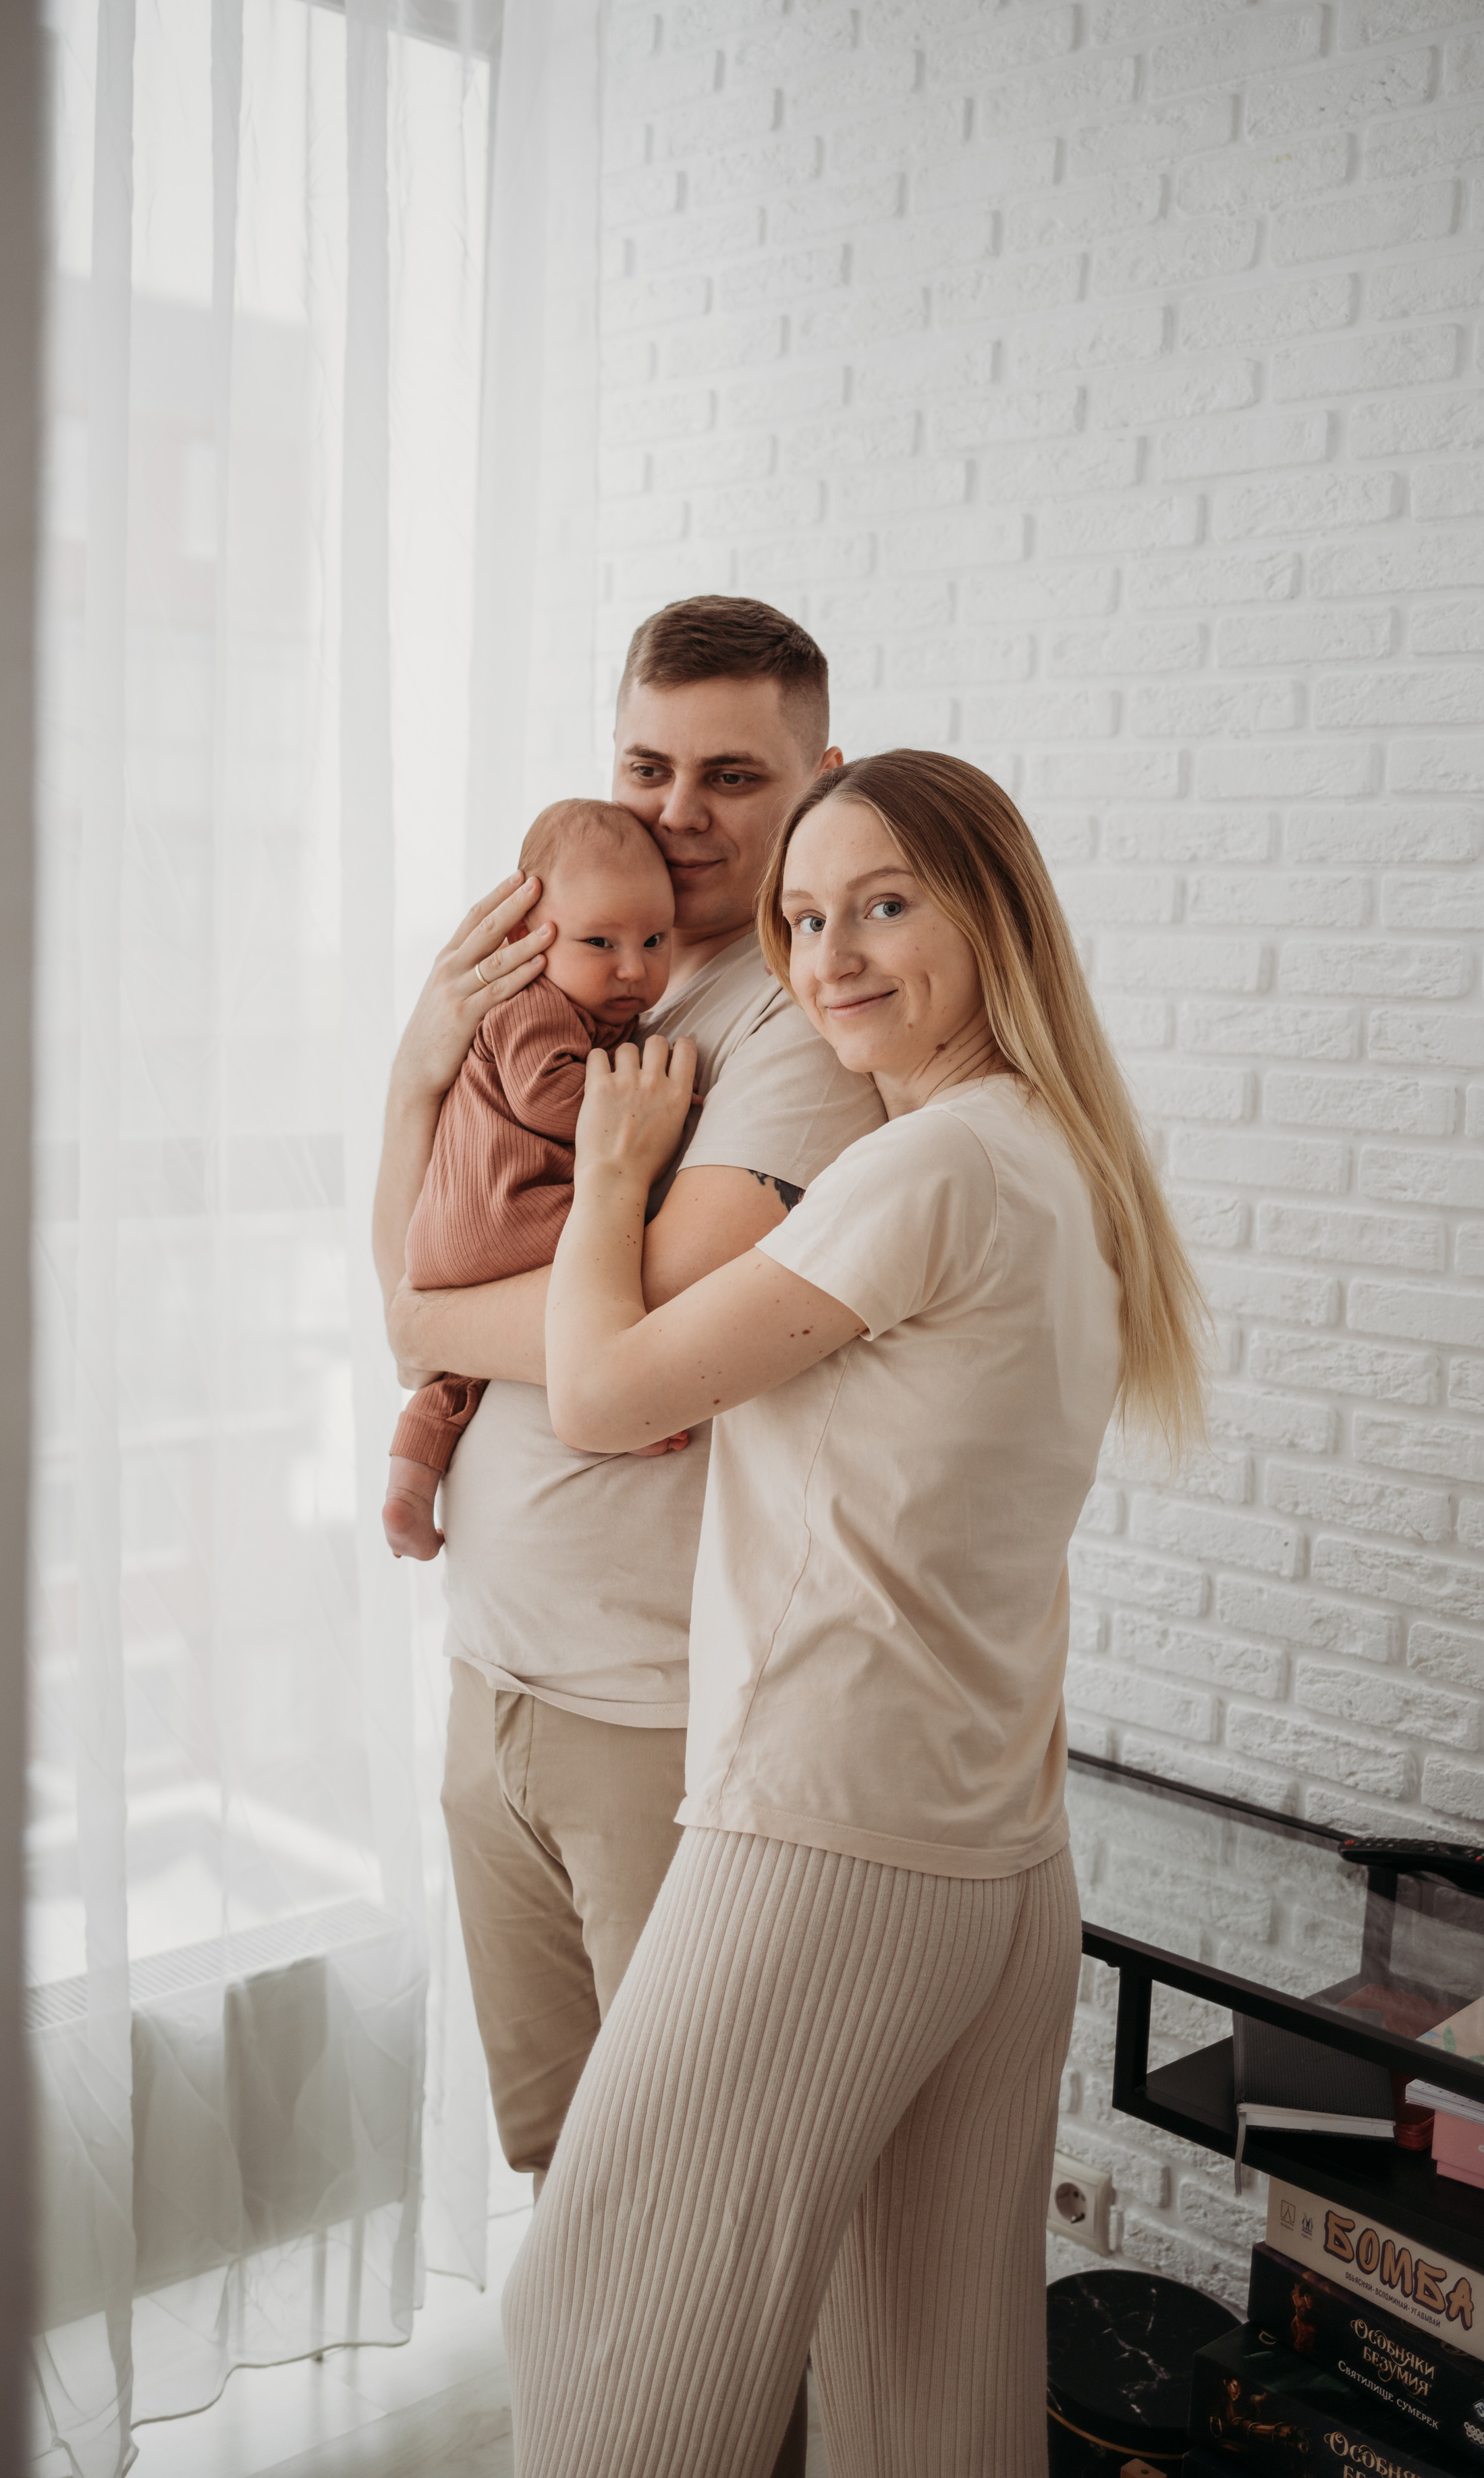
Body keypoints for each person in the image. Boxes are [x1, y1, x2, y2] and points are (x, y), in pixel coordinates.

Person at [504, 750, 1209, 2478]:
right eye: (804, 918)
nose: (829, 955)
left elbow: (595, 1392)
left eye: (881, 905)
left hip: (826, 1838)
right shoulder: (1057, 1158)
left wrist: (611, 1169)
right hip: (997, 1863)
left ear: (990, 913)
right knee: (931, 2397)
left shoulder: (926, 1172)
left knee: (600, 2327)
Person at [371, 601, 883, 2215]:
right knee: (559, 2168)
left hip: (653, 1711)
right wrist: (415, 1067)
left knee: (679, 2196)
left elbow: (636, 1327)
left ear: (822, 777)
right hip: (493, 1675)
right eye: (645, 766)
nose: (676, 813)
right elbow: (426, 1251)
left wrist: (424, 1322)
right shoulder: (590, 980)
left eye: (731, 775)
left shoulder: (795, 1026)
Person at [381, 798, 683, 1562]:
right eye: (600, 942)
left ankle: (409, 1486)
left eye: (655, 941)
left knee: (459, 1373)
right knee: (612, 1272)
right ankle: (612, 1414)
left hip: (455, 1243)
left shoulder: (589, 1005)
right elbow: (547, 1096)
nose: (633, 967)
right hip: (504, 1214)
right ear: (525, 936)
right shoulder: (531, 1003)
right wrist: (661, 1107)